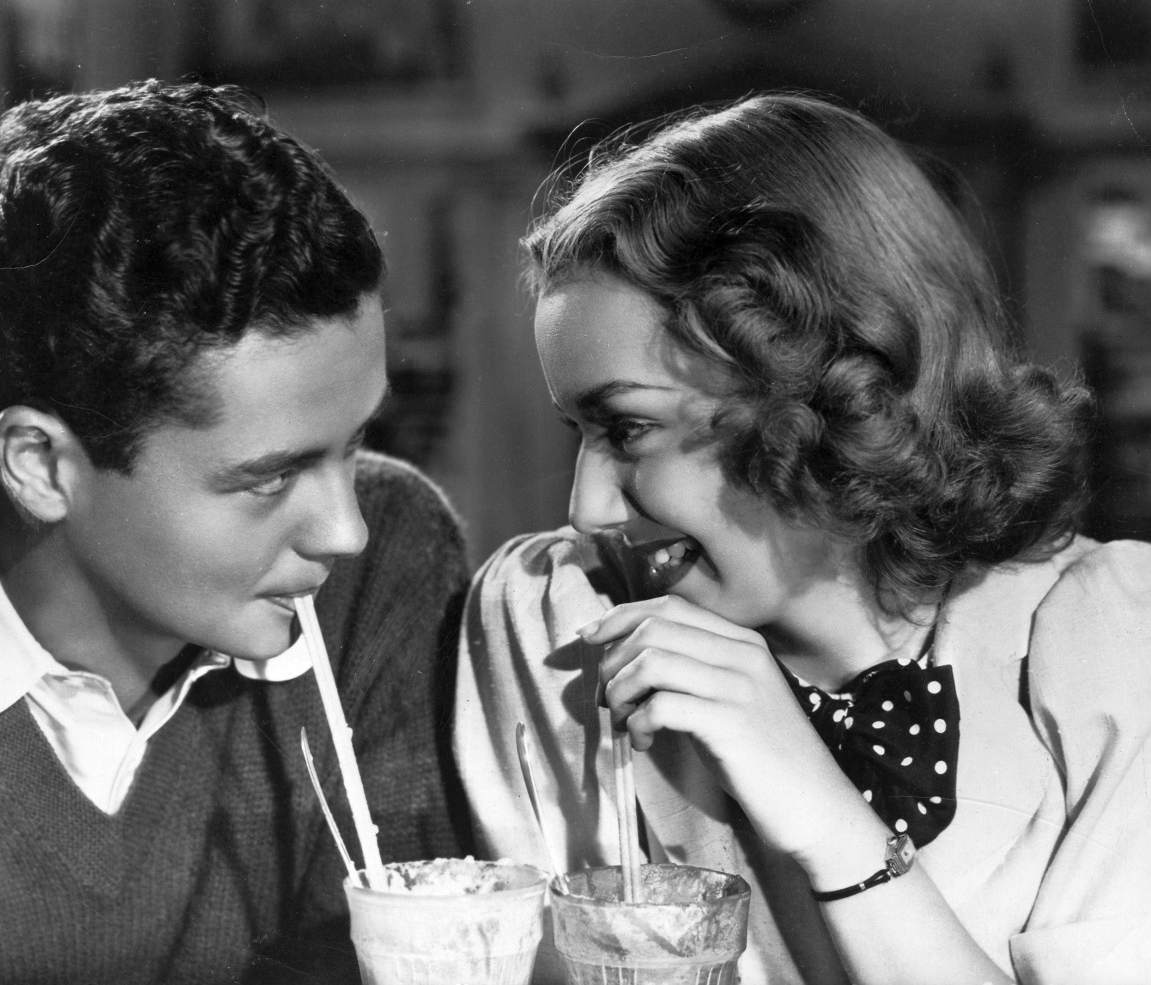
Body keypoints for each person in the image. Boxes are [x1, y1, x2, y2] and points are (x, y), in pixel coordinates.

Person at [455, 92, 1151, 985]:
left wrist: (829, 821)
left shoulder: (1115, 648)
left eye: (628, 428)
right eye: (577, 432)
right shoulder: (560, 626)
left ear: (823, 392)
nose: (587, 509)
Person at [0, 80, 471, 985]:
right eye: (270, 477)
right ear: (41, 464)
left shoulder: (394, 551)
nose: (345, 530)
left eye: (354, 443)